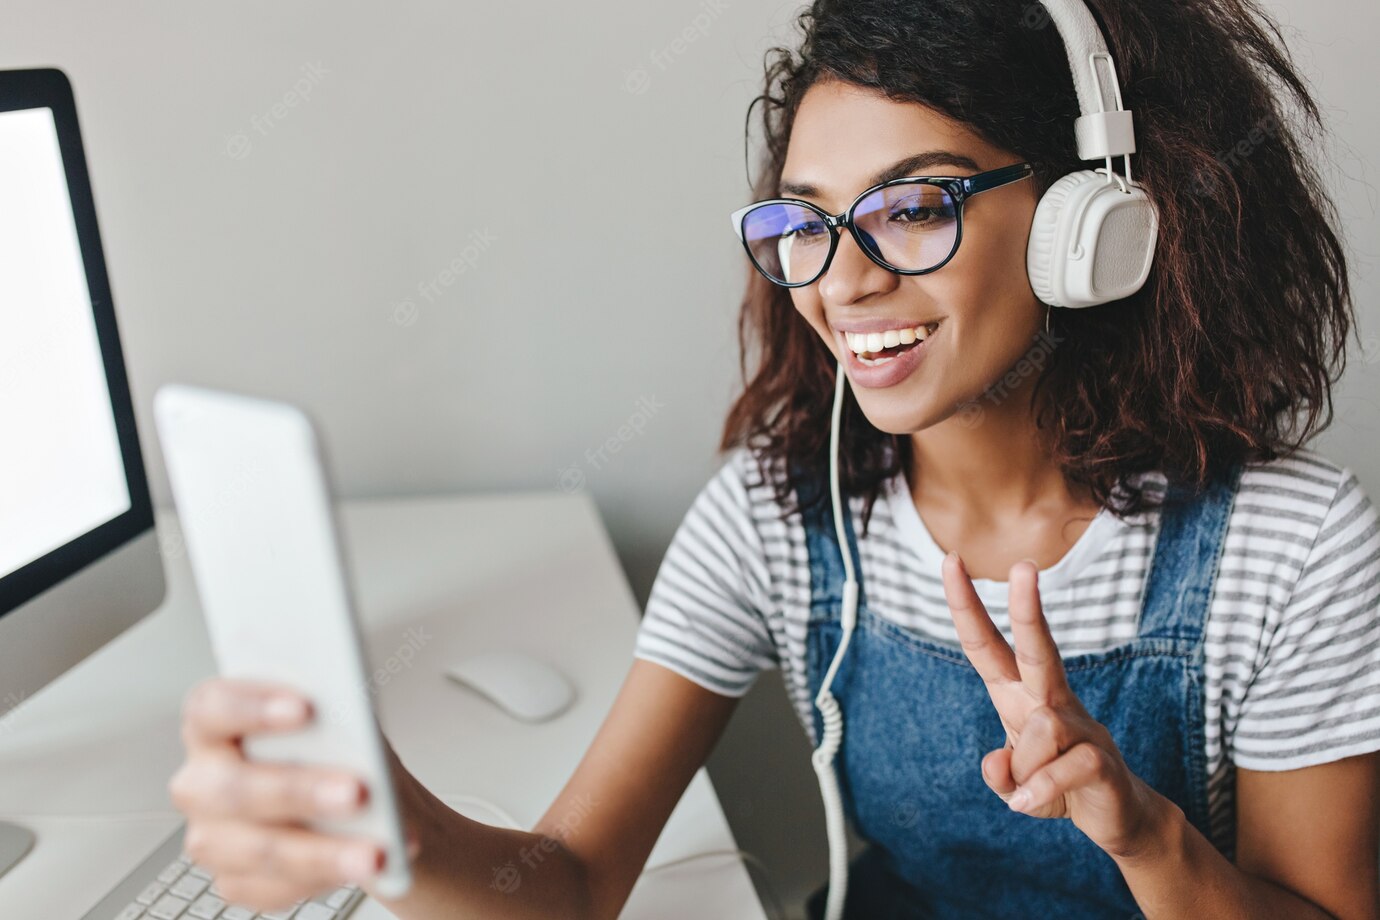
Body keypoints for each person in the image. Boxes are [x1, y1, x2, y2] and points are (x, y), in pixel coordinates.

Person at [167, 0, 1380, 917]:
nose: (844, 281)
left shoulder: (1295, 546)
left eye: (915, 207)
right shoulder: (775, 516)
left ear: (1090, 225)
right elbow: (573, 880)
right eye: (805, 222)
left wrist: (1143, 833)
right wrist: (388, 823)